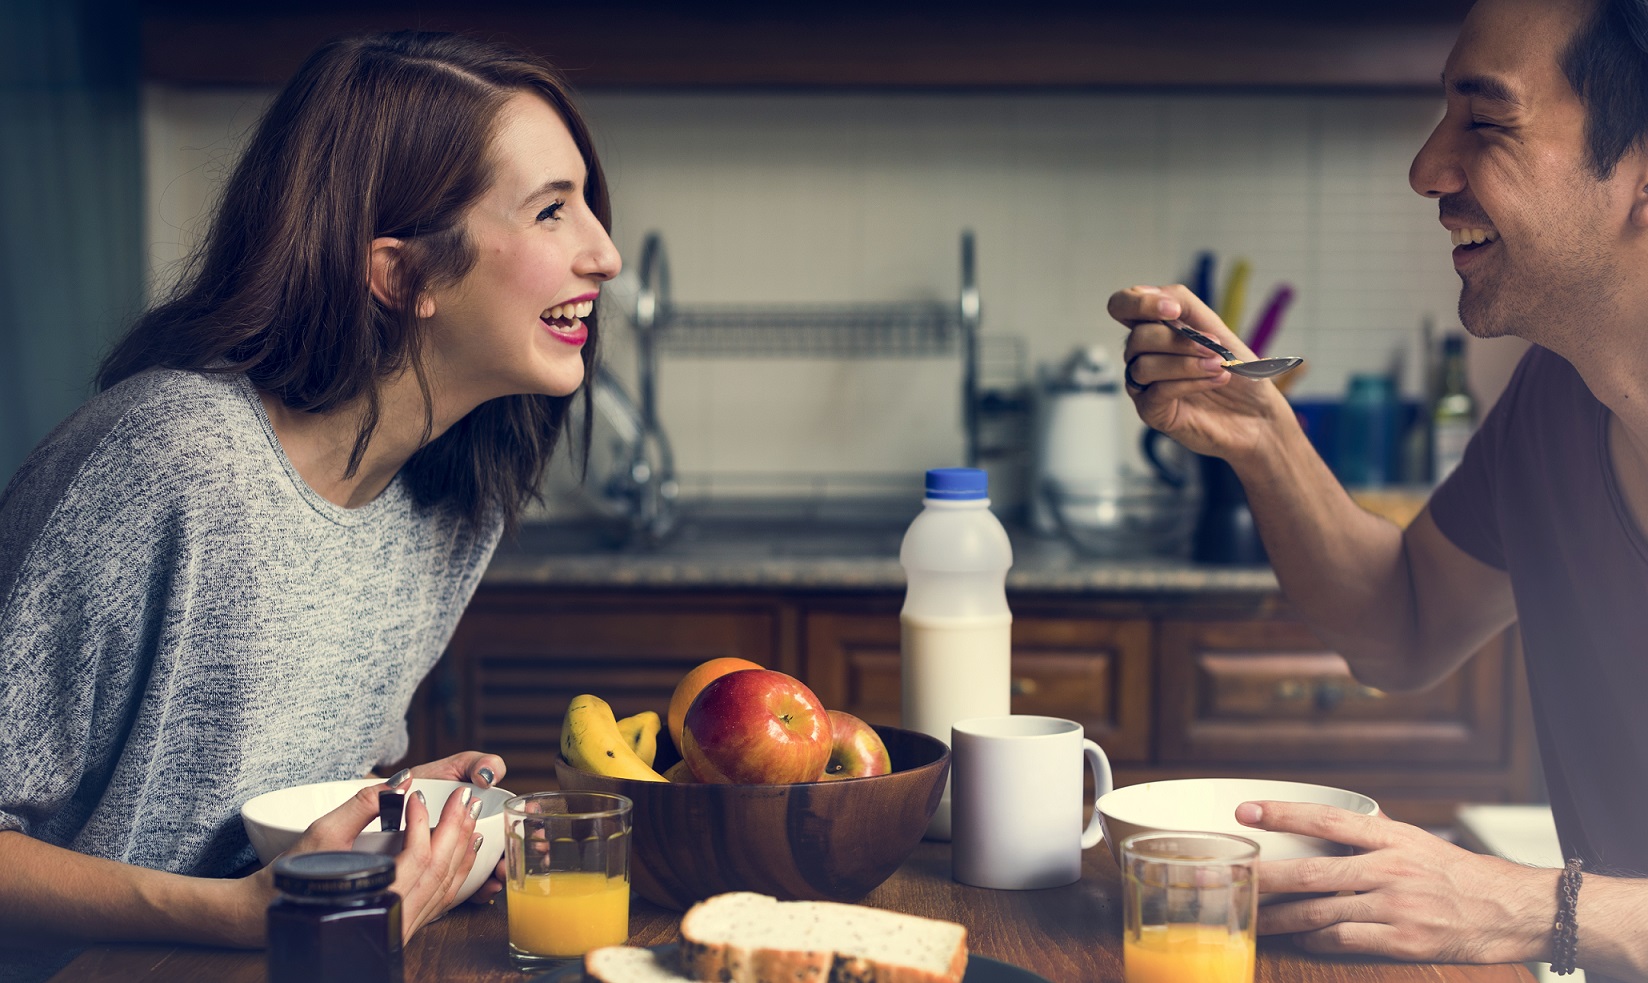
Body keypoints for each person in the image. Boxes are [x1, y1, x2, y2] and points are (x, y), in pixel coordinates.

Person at [0, 31, 620, 981]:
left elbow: (255, 805)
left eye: (586, 204)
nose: (605, 254)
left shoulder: (452, 504)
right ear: (399, 273)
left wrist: (385, 814)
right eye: (550, 212)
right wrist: (246, 913)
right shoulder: (169, 461)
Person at [1109, 0, 1648, 978]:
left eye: (1483, 123)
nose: (1424, 170)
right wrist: (1261, 435)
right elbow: (1401, 620)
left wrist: (1524, 904)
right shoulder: (1555, 401)